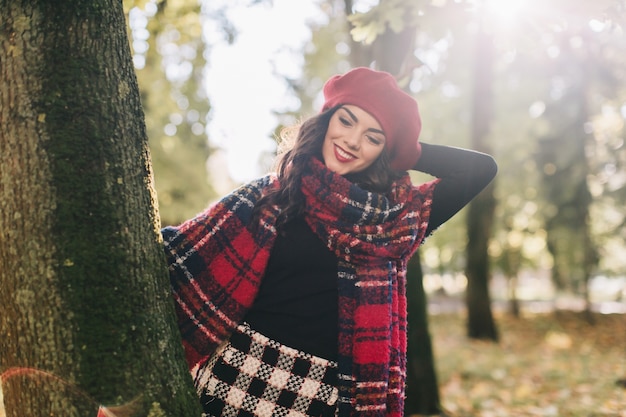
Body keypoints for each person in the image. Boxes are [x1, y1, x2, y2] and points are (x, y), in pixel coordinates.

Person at [162, 67, 497, 417]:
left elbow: (479, 169)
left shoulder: (392, 220)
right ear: (326, 120)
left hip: (326, 399)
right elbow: (179, 254)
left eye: (373, 137)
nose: (352, 141)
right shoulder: (269, 195)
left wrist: (405, 147)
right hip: (234, 383)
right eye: (347, 121)